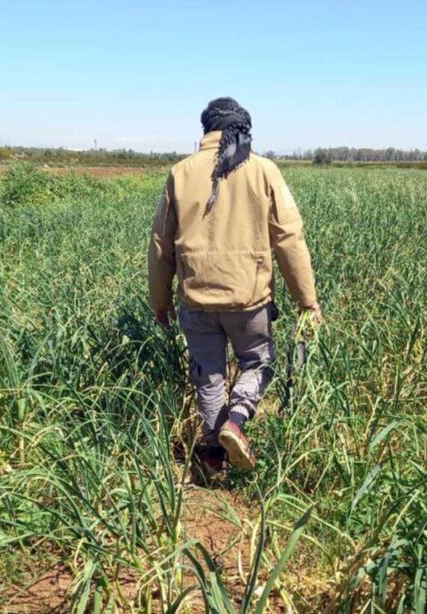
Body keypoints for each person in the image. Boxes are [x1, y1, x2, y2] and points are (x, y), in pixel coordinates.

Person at [148, 97, 321, 474]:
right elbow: (289, 239)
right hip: (248, 300)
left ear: (207, 130)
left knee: (208, 374)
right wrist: (306, 302)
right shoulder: (263, 170)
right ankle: (237, 421)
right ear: (242, 129)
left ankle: (212, 458)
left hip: (195, 300)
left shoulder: (180, 172)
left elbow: (161, 245)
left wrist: (159, 303)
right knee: (258, 361)